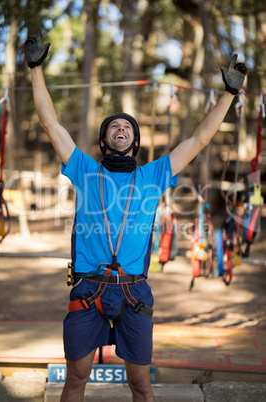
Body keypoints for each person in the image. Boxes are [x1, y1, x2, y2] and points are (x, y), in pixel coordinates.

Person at [23, 29, 247, 402]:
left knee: (141, 385)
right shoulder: (84, 169)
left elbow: (198, 140)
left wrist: (230, 93)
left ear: (135, 142)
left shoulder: (153, 174)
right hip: (88, 289)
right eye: (114, 126)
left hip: (135, 292)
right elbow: (50, 124)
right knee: (76, 379)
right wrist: (35, 68)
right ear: (104, 140)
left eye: (127, 126)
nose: (121, 128)